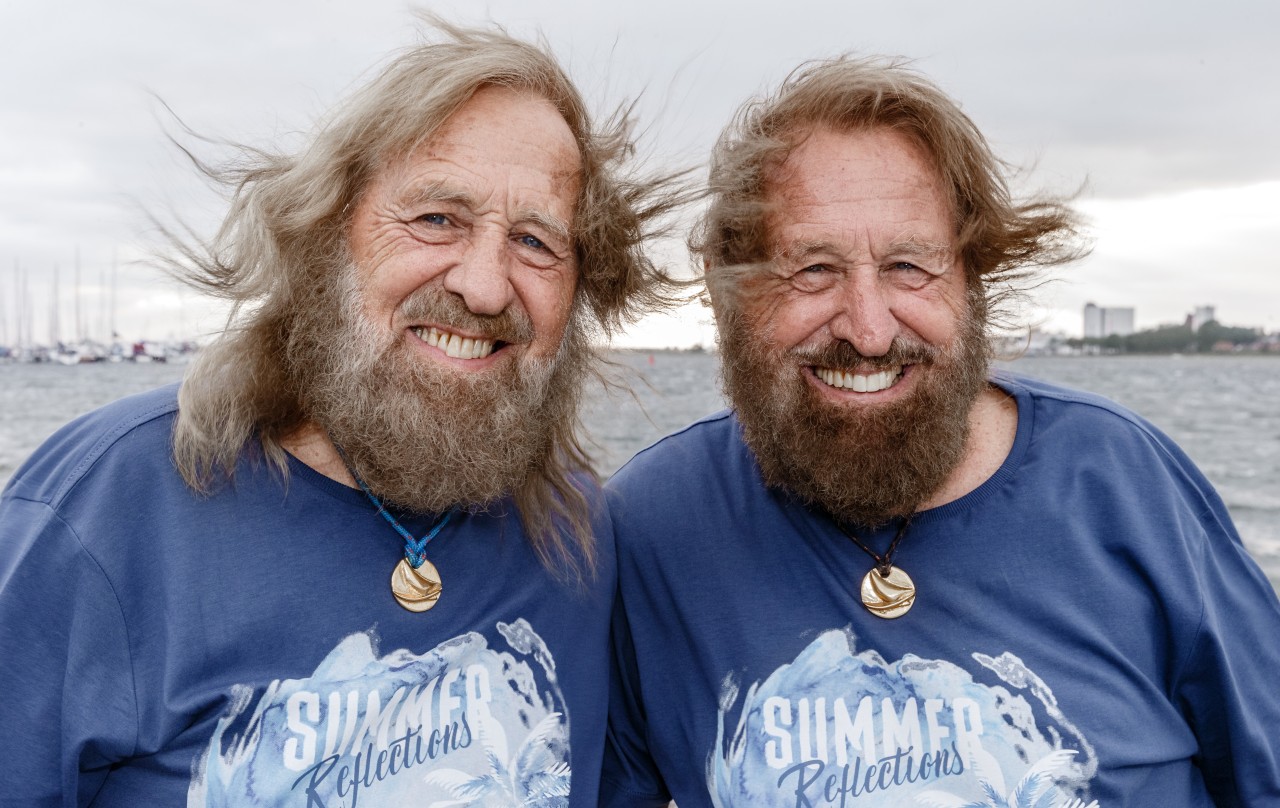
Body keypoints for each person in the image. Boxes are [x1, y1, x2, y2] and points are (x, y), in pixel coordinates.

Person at [0, 20, 685, 807]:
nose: (487, 286)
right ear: (328, 237)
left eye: (536, 242)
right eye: (436, 219)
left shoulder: (576, 538)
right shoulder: (105, 511)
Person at [603, 56, 1280, 807]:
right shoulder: (654, 528)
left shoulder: (1123, 483)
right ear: (727, 288)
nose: (867, 329)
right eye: (814, 269)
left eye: (908, 267)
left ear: (972, 281)